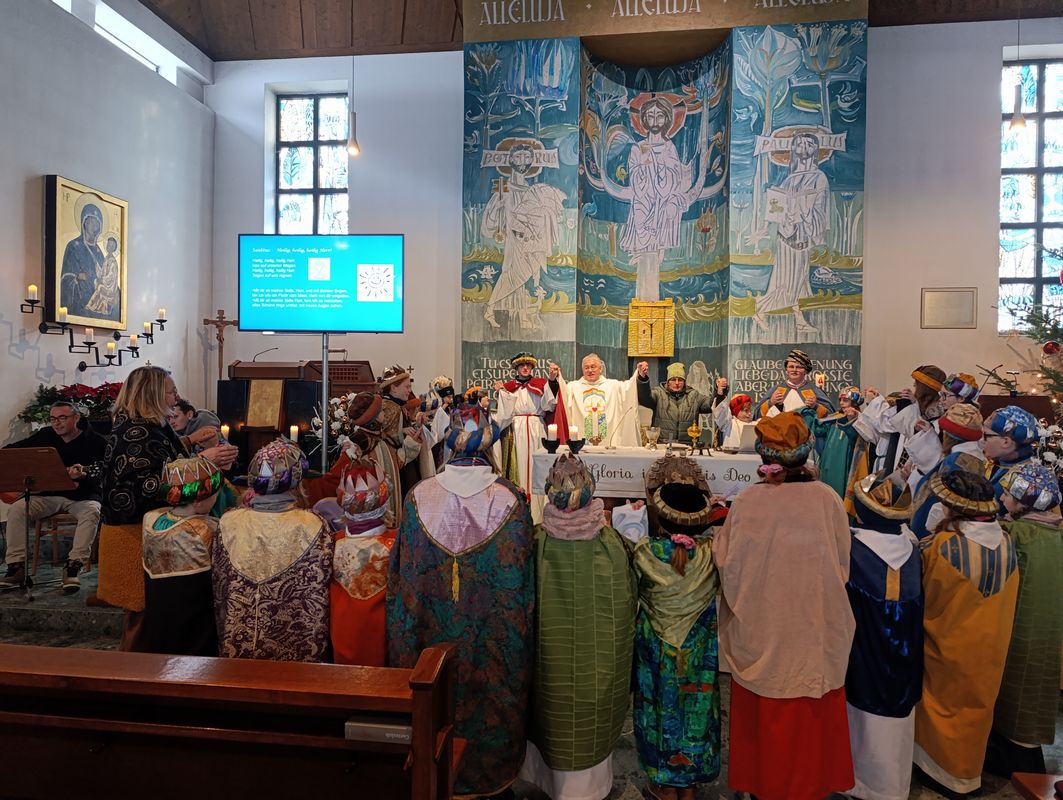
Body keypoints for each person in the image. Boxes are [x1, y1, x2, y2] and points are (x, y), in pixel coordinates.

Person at [387, 405, 534, 798]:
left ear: (447, 440)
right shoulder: (512, 500)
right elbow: (524, 589)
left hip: (429, 654)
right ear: (489, 442)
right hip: (492, 652)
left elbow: (401, 585)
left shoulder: (419, 496)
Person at [713, 412, 855, 800]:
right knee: (810, 718)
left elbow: (728, 564)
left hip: (766, 629)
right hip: (813, 627)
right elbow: (843, 562)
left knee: (766, 715)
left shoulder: (748, 501)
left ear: (763, 457)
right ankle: (811, 785)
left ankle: (764, 784)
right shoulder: (827, 498)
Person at [520, 455, 635, 800]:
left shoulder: (535, 543)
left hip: (551, 664)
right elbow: (628, 605)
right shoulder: (612, 545)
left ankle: (545, 781)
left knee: (551, 702)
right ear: (591, 492)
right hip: (595, 669)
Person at [97, 366, 237, 650]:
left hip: (152, 532)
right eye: (171, 391)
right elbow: (146, 485)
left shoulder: (148, 425)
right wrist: (204, 462)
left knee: (153, 616)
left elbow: (165, 459)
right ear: (152, 393)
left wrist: (199, 451)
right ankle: (130, 680)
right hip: (133, 533)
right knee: (140, 616)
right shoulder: (136, 431)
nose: (177, 396)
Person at [914, 470, 1019, 798]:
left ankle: (937, 772)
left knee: (941, 711)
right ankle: (967, 773)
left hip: (948, 647)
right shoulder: (1006, 541)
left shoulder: (941, 546)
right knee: (976, 710)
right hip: (991, 649)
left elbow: (923, 597)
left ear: (951, 508)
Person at [633, 461, 721, 800]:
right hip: (698, 646)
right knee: (696, 704)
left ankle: (663, 781)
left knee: (659, 705)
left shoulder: (645, 553)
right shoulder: (712, 553)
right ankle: (691, 782)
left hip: (657, 644)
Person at [214, 438, 332, 662]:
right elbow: (320, 588)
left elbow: (220, 589)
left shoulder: (229, 522)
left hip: (238, 646)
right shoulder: (312, 524)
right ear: (296, 480)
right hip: (296, 653)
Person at [845, 474, 923, 800]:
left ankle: (858, 785)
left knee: (862, 729)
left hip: (863, 657)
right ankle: (893, 788)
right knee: (895, 734)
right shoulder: (914, 549)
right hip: (904, 664)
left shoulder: (853, 549)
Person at [986, 462, 1063, 777]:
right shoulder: (1056, 532)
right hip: (1049, 629)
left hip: (1018, 627)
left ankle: (1013, 765)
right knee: (1036, 690)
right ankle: (1028, 757)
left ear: (1022, 501)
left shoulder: (1014, 533)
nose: (1002, 498)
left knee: (1012, 690)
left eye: (1006, 493)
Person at [0, 400, 106, 592]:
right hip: (48, 495)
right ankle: (15, 567)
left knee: (92, 510)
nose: (57, 423)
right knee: (17, 508)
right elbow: (11, 452)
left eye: (62, 418)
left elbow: (104, 475)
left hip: (81, 497)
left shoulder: (97, 441)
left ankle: (73, 566)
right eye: (53, 419)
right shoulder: (45, 435)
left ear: (76, 418)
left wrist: (83, 475)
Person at [140, 456, 221, 656]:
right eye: (214, 496)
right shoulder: (204, 529)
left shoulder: (151, 518)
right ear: (199, 500)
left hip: (158, 612)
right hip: (195, 617)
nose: (216, 499)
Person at [481, 142, 567, 329]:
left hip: (530, 242)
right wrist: (498, 206)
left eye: (527, 157)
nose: (523, 160)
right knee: (510, 276)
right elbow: (490, 220)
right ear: (511, 160)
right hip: (514, 241)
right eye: (519, 156)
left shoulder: (531, 191)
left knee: (526, 277)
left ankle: (524, 318)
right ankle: (490, 309)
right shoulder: (504, 188)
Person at [752, 131, 829, 334]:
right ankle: (762, 309)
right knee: (786, 281)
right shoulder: (788, 179)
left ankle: (793, 318)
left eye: (809, 144)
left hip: (803, 234)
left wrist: (804, 207)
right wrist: (764, 228)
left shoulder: (819, 177)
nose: (804, 147)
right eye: (799, 143)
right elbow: (776, 209)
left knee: (797, 279)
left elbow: (821, 207)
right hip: (786, 236)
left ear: (815, 150)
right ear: (793, 149)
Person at [326, 444, 395, 667]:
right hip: (385, 657)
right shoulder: (396, 546)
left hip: (340, 653)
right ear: (384, 500)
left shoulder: (329, 545)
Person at [493, 352, 567, 519]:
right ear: (516, 368)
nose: (525, 368)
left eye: (528, 365)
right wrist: (502, 394)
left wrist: (553, 380)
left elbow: (549, 404)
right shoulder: (509, 387)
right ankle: (518, 511)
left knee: (538, 467)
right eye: (522, 365)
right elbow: (504, 413)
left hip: (536, 428)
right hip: (516, 430)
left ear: (532, 368)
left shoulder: (540, 384)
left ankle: (540, 513)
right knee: (518, 465)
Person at [909, 403, 985, 539]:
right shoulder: (973, 457)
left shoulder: (954, 463)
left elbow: (941, 503)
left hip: (936, 533)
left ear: (947, 434)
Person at [558, 353, 640, 447]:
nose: (590, 370)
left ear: (600, 369)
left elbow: (629, 388)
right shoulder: (573, 387)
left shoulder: (613, 386)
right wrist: (557, 377)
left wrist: (639, 375)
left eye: (593, 367)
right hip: (582, 437)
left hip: (607, 436)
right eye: (586, 367)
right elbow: (563, 394)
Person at [635, 361, 725, 444]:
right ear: (668, 382)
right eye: (673, 379)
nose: (677, 383)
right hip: (663, 445)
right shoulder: (659, 394)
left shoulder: (694, 395)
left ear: (684, 382)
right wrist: (642, 378)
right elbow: (645, 399)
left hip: (688, 447)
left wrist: (719, 393)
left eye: (680, 380)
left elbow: (710, 405)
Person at [803, 386, 862, 500]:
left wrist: (851, 419)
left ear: (855, 402)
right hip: (828, 460)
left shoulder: (861, 419)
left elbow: (857, 438)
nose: (842, 403)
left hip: (845, 461)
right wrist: (810, 411)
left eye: (846, 400)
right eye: (840, 400)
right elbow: (819, 431)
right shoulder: (835, 417)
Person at [377, 364, 424, 504]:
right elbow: (385, 437)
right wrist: (403, 432)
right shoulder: (391, 407)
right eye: (407, 387)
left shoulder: (397, 406)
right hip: (395, 465)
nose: (409, 391)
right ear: (393, 388)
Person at [982, 405, 1039, 509]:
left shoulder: (1021, 481)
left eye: (985, 436)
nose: (980, 441)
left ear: (1006, 442)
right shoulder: (1000, 462)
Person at [754, 348, 833, 419]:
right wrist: (771, 402)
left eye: (799, 367)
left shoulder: (814, 390)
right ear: (786, 369)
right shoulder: (777, 390)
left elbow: (831, 416)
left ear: (805, 370)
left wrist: (816, 406)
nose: (794, 370)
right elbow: (757, 416)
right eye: (791, 367)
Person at [60, 201, 104, 317]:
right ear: (84, 222)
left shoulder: (99, 253)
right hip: (80, 303)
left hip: (98, 303)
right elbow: (65, 279)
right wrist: (77, 278)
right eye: (91, 221)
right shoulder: (73, 246)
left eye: (97, 223)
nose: (94, 226)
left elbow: (107, 276)